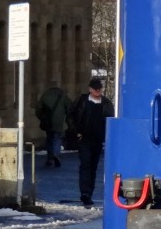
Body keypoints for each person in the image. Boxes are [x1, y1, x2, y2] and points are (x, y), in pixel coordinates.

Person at [69, 76, 113, 207]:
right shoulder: (82, 101)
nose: (98, 91)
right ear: (90, 89)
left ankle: (89, 193)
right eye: (95, 89)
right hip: (84, 138)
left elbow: (111, 119)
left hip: (98, 139)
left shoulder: (106, 103)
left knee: (93, 167)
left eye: (99, 89)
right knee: (85, 165)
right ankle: (85, 193)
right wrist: (76, 131)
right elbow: (71, 114)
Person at [35, 82, 69, 168]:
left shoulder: (45, 95)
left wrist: (42, 118)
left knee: (50, 139)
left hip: (48, 122)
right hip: (59, 123)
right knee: (57, 138)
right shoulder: (63, 96)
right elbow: (70, 108)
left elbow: (38, 109)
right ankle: (56, 154)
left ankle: (50, 158)